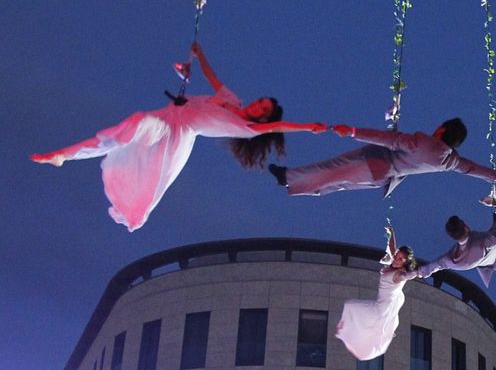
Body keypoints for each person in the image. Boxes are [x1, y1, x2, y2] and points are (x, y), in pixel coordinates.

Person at [31, 41, 326, 230]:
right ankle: (64, 155)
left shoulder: (245, 128)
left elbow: (276, 128)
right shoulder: (232, 101)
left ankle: (65, 157)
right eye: (260, 100)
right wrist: (198, 56)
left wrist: (307, 126)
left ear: (262, 116)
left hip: (176, 133)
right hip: (167, 115)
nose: (256, 105)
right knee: (131, 125)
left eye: (262, 108)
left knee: (142, 159)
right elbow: (213, 78)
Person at [269, 117, 496, 197]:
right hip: (381, 178)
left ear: (441, 130)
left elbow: (388, 139)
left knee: (331, 168)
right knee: (337, 183)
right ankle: (294, 183)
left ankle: (288, 177)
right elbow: (475, 169)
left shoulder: (423, 142)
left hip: (373, 161)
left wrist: (353, 131)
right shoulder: (451, 161)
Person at [334, 235, 416, 362]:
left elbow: (405, 276)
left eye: (400, 259)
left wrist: (419, 272)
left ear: (405, 263)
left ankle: (347, 334)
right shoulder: (393, 263)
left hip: (381, 309)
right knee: (354, 309)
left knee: (350, 305)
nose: (395, 259)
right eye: (396, 256)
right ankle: (383, 329)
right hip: (388, 303)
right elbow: (393, 248)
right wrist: (391, 233)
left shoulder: (398, 274)